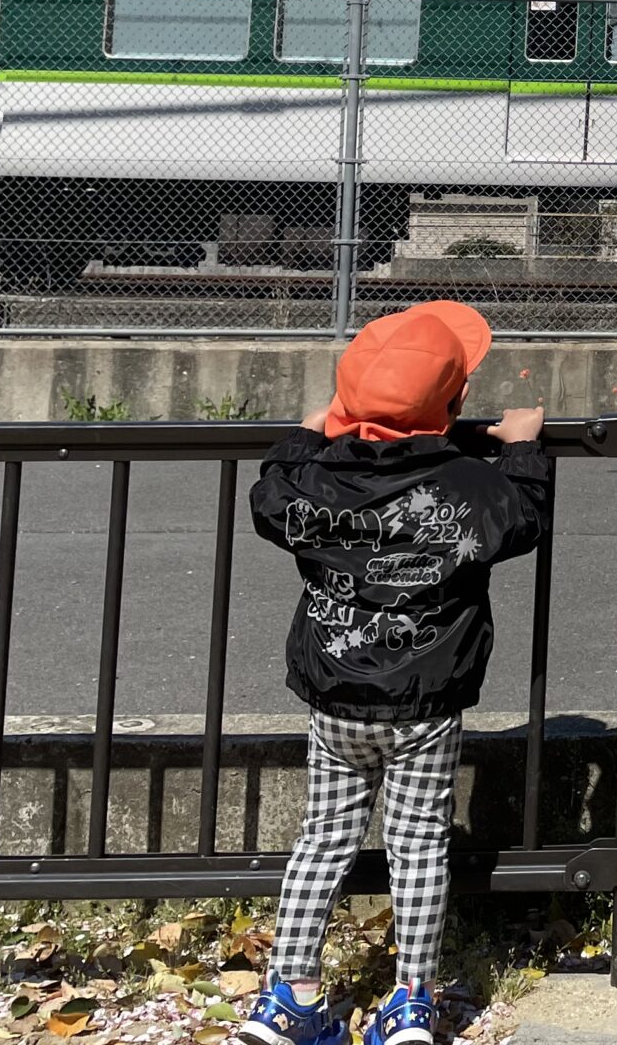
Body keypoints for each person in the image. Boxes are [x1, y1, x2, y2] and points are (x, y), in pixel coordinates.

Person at [238, 302, 551, 1045]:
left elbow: (268, 498)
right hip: (426, 702)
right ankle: (412, 998)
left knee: (323, 838)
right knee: (417, 846)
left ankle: (290, 994)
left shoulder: (313, 479)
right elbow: (523, 517)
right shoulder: (468, 483)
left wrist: (305, 435)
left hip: (335, 692)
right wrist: (522, 449)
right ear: (455, 404)